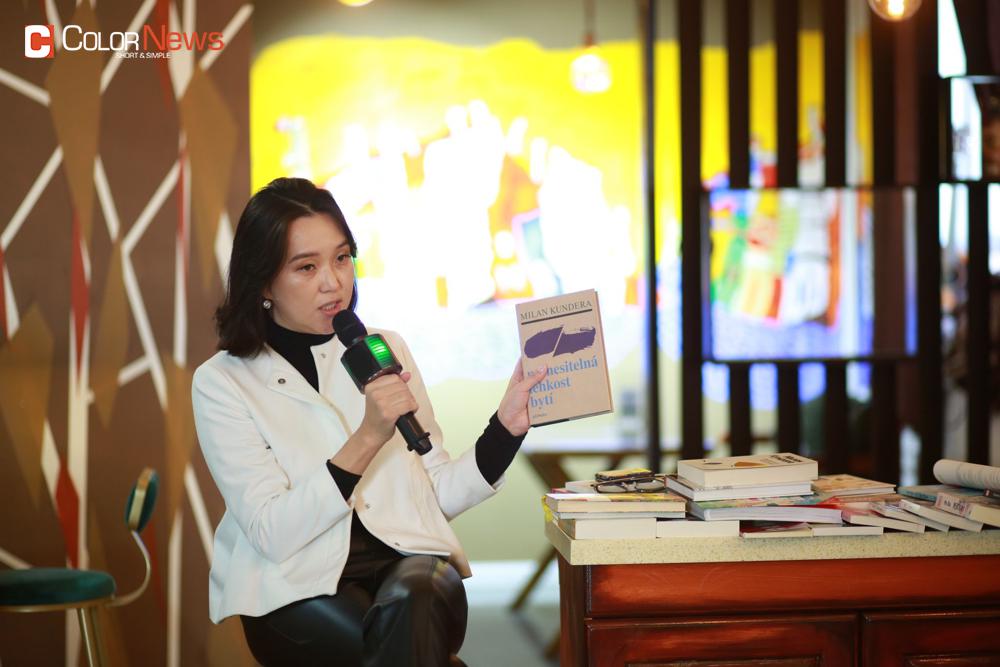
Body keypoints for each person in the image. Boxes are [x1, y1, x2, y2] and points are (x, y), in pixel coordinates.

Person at [191, 177, 548, 666]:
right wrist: (368, 436)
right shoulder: (223, 382)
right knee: (404, 644)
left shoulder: (385, 348)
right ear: (264, 282)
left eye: (342, 258)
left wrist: (504, 430)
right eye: (307, 266)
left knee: (414, 601)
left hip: (409, 564)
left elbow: (433, 494)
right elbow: (273, 532)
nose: (333, 281)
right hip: (294, 584)